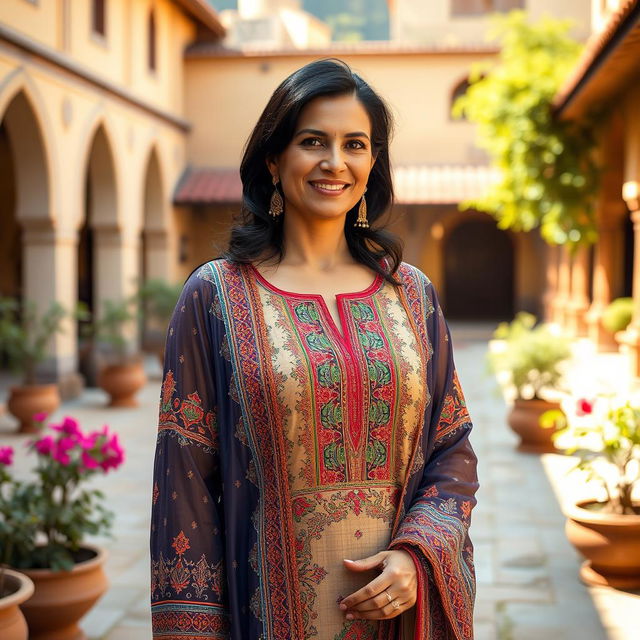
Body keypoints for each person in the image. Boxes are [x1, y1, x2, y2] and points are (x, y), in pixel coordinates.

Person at [150, 58, 478, 640]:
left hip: (401, 618)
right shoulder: (215, 296)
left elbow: (451, 450)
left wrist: (417, 556)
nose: (335, 162)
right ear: (274, 160)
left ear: (373, 162)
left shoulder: (412, 295)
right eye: (312, 141)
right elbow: (186, 487)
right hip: (265, 619)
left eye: (356, 144)